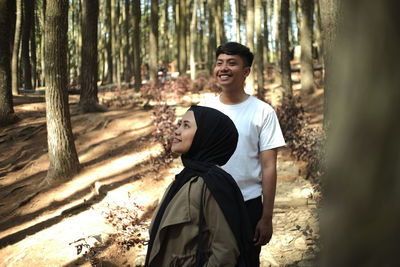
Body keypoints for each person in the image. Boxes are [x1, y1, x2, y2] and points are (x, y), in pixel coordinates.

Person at [199, 42, 286, 265]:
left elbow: (268, 166)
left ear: (246, 71)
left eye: (232, 63)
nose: (223, 68)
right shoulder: (203, 110)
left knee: (245, 261)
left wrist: (266, 217)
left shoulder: (263, 112)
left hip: (247, 204)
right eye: (219, 63)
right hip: (208, 202)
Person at [145, 105, 255, 267]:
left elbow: (225, 252)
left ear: (206, 135)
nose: (177, 130)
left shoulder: (211, 185)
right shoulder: (185, 178)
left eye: (186, 125)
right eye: (180, 124)